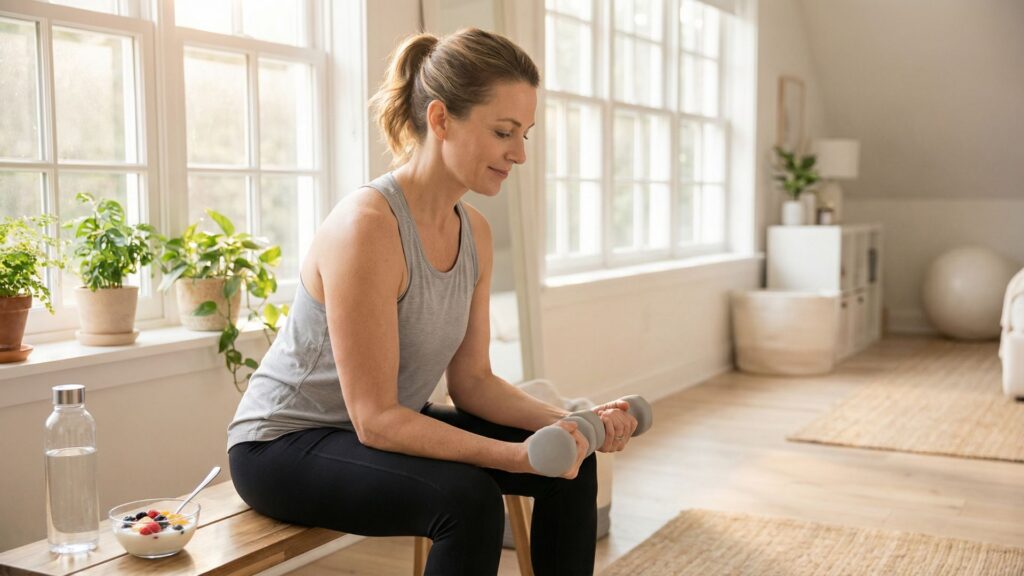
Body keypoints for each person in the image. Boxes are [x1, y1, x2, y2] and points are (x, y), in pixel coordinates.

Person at [227, 28, 638, 576]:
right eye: (503, 132)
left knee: (571, 466)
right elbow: (375, 420)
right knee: (466, 499)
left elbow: (473, 383)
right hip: (284, 446)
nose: (519, 153)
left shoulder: (476, 233)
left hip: (379, 427)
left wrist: (574, 423)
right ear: (441, 120)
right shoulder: (367, 228)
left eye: (525, 134)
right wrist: (518, 455)